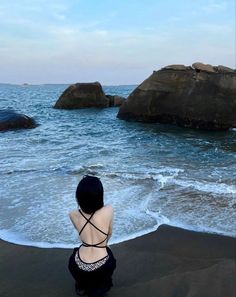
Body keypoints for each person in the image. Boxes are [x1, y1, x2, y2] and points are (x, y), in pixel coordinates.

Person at [68, 175, 116, 297]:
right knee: (100, 287)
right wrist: (103, 245)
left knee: (82, 276)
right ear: (100, 195)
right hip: (103, 266)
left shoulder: (73, 214)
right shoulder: (108, 210)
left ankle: (82, 286)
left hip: (76, 265)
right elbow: (109, 233)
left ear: (78, 197)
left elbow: (82, 234)